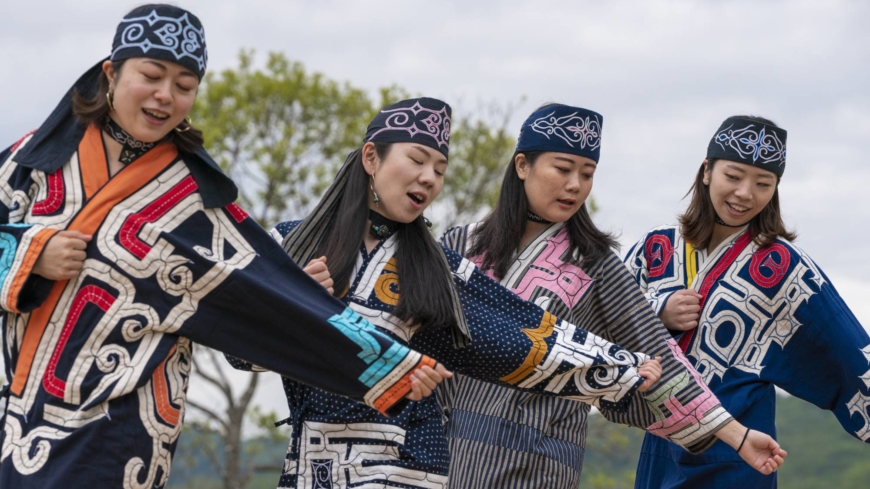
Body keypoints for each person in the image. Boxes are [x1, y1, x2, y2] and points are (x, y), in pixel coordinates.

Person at [0, 6, 449, 488]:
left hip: (118, 432)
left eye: (184, 86)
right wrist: (30, 251)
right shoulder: (33, 161)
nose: (164, 96)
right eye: (151, 76)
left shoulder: (197, 199)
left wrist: (393, 365)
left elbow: (273, 297)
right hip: (12, 408)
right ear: (112, 72)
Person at [229, 97, 672, 489]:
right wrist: (293, 306)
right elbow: (238, 349)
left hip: (406, 466)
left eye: (439, 170)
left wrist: (619, 369)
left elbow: (515, 335)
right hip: (310, 466)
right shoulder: (288, 245)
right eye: (418, 160)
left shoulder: (436, 265)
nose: (429, 178)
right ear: (371, 157)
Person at [439, 103, 786, 488]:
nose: (575, 185)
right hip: (449, 452)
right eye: (563, 168)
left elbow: (662, 356)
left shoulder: (596, 266)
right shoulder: (457, 246)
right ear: (523, 165)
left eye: (587, 174)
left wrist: (736, 435)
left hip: (539, 460)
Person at [624, 115, 870, 488]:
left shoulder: (785, 268)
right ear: (706, 171)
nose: (745, 193)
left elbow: (847, 350)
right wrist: (658, 309)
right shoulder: (655, 249)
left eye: (763, 183)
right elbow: (597, 319)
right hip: (659, 447)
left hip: (741, 453)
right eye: (733, 176)